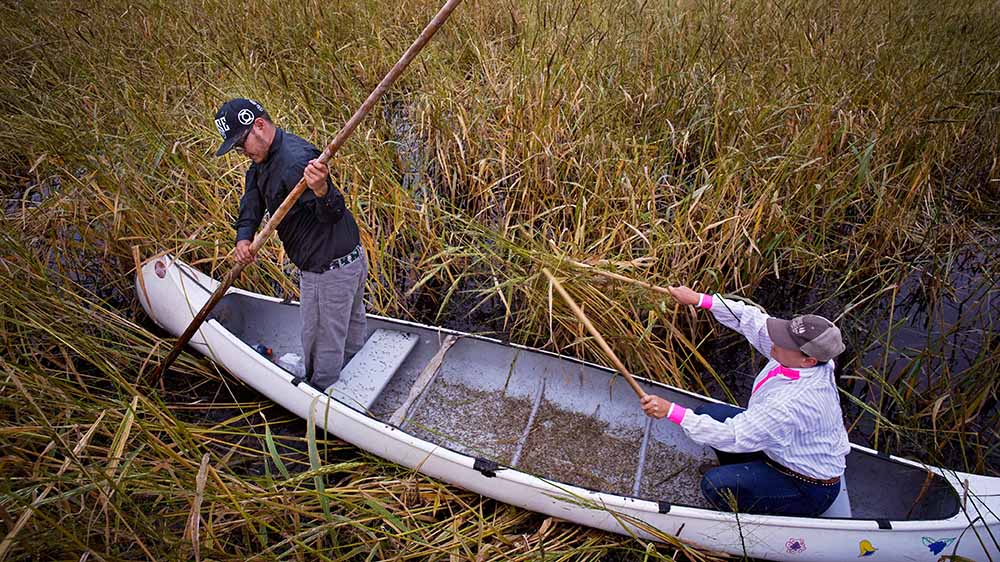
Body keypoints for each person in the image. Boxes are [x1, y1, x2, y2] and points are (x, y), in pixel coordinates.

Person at [641, 286, 850, 517]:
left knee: (714, 485)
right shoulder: (811, 361)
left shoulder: (790, 404)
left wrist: (671, 411)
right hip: (780, 451)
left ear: (808, 361)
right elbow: (754, 321)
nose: (774, 341)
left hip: (806, 486)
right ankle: (740, 472)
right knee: (705, 413)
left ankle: (748, 515)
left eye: (784, 342)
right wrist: (700, 299)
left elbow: (731, 435)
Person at [213, 98, 367, 391]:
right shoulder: (261, 160)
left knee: (320, 344)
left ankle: (323, 398)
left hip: (329, 272)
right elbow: (252, 199)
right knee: (349, 331)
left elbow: (333, 213)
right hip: (349, 262)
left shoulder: (296, 160)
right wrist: (244, 236)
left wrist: (322, 189)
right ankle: (352, 377)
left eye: (240, 144)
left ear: (258, 126)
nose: (241, 152)